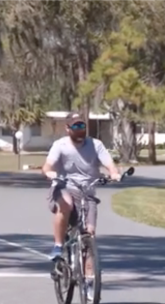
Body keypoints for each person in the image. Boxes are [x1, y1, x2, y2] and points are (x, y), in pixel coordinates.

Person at [42, 112, 121, 262]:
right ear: (67, 128)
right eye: (76, 126)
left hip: (87, 192)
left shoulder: (95, 144)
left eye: (82, 126)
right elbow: (47, 166)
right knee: (66, 204)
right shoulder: (60, 145)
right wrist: (50, 173)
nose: (80, 129)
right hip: (64, 186)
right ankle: (58, 245)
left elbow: (109, 164)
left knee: (89, 234)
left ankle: (89, 279)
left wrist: (114, 173)